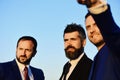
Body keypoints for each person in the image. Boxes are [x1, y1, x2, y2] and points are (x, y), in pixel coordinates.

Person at [77, 0, 120, 80]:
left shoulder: (115, 49)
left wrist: (96, 6)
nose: (91, 30)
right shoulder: (96, 60)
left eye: (95, 24)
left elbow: (113, 34)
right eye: (88, 27)